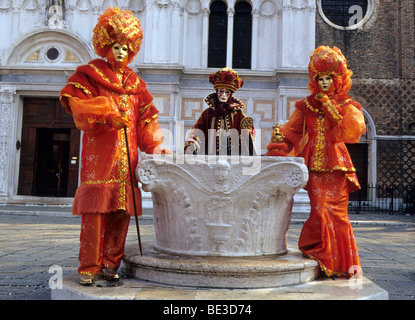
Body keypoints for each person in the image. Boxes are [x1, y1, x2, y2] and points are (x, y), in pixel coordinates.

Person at [60, 7, 168, 285]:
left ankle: (110, 264)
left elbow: (147, 121)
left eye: (126, 48)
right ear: (106, 46)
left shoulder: (137, 85)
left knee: (121, 214)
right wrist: (107, 112)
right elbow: (77, 105)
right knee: (96, 213)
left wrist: (157, 147)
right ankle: (89, 266)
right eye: (116, 46)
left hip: (127, 163)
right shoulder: (89, 76)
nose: (121, 52)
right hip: (100, 161)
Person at [265, 46, 366, 278]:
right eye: (319, 78)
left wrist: (328, 105)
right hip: (316, 170)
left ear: (337, 79)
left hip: (338, 169)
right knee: (320, 210)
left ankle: (342, 264)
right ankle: (323, 255)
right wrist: (278, 151)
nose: (323, 82)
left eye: (328, 78)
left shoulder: (346, 105)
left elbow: (350, 131)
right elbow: (290, 133)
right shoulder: (306, 107)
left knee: (339, 216)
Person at [184, 67, 255, 155]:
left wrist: (246, 136)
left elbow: (249, 130)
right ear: (217, 92)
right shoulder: (208, 113)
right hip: (210, 156)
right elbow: (197, 131)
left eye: (227, 92)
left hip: (233, 156)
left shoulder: (238, 114)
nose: (224, 95)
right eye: (221, 91)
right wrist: (192, 144)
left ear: (231, 94)